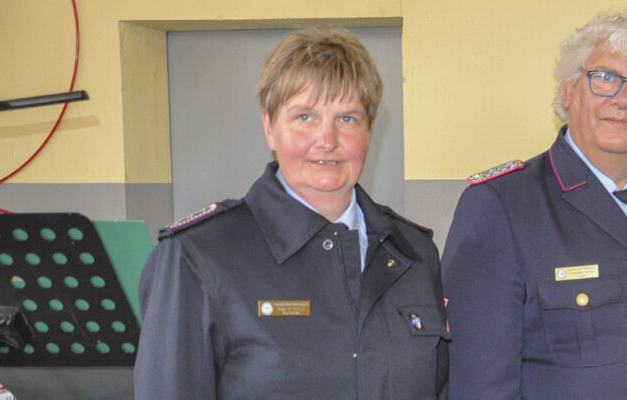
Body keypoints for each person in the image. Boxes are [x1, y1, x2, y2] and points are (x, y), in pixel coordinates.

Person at [135, 27, 448, 399]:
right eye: (305, 117)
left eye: (347, 119)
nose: (327, 141)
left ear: (370, 129)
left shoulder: (413, 252)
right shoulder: (198, 257)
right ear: (269, 127)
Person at [439, 10, 627, 399]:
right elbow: (478, 384)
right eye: (604, 78)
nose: (623, 98)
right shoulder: (501, 206)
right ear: (568, 91)